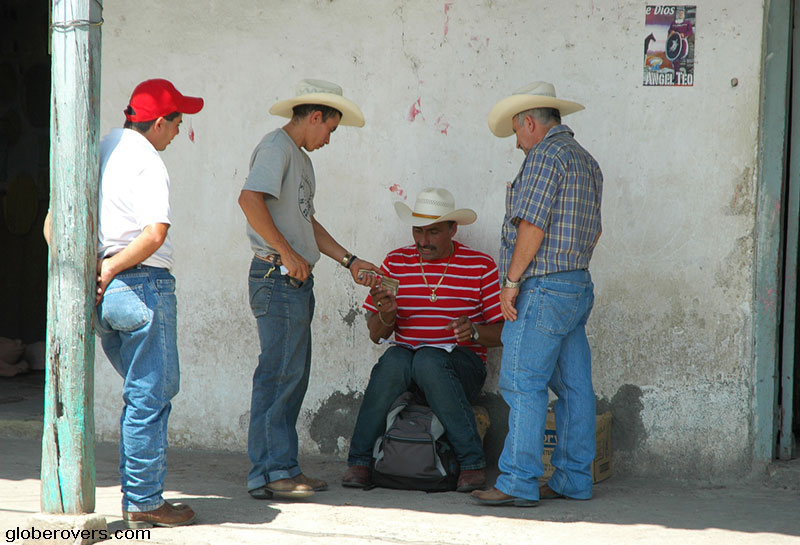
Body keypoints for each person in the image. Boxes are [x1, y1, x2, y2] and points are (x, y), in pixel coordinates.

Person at [44, 79, 203, 526]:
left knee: (141, 395)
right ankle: (145, 501)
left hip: (102, 295)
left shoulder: (96, 147)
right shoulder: (148, 161)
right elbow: (154, 234)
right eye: (176, 122)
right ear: (157, 122)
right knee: (149, 397)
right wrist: (111, 268)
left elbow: (54, 221)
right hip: (140, 286)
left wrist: (81, 273)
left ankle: (141, 495)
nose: (178, 131)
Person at [238, 79, 381, 501]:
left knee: (291, 377)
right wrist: (284, 254)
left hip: (292, 281)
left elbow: (305, 222)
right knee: (279, 376)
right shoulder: (276, 148)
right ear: (315, 116)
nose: (329, 139)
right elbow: (249, 200)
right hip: (275, 279)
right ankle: (270, 471)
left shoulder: (299, 159)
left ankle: (281, 467)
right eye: (331, 129)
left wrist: (349, 261)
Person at [472, 82, 602, 507]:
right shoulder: (587, 161)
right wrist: (571, 265)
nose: (516, 142)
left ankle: (517, 481)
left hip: (544, 285)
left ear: (530, 122)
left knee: (523, 383)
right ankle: (573, 479)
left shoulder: (545, 156)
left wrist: (511, 281)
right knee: (575, 388)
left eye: (516, 132)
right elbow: (594, 230)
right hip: (576, 283)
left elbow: (532, 225)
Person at [341, 188, 504, 493]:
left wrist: (475, 331)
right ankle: (359, 461)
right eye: (418, 231)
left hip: (460, 370)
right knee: (394, 359)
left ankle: (472, 463)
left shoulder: (480, 266)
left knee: (429, 359)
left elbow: (504, 333)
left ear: (453, 230)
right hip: (409, 370)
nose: (423, 241)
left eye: (433, 232)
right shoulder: (396, 262)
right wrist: (387, 315)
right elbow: (377, 334)